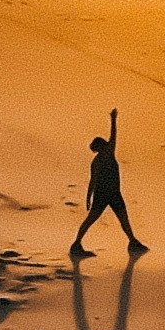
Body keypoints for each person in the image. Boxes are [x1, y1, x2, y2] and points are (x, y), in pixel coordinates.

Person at [69, 108, 146, 258]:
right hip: (107, 194)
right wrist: (113, 120)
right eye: (104, 143)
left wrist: (88, 197)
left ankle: (132, 241)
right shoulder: (106, 155)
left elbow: (93, 180)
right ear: (101, 146)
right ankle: (76, 244)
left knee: (120, 218)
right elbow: (114, 137)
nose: (108, 143)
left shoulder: (97, 160)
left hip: (108, 194)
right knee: (101, 219)